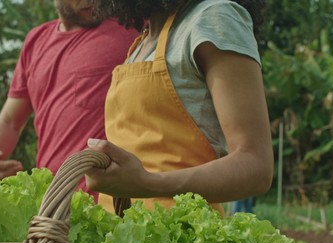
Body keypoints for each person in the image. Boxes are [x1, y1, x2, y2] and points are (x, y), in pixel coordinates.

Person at [85, 0, 274, 214]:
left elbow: (255, 165)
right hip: (120, 237)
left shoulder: (214, 17)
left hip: (181, 240)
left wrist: (148, 183)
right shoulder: (143, 42)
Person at [0, 0, 138, 202]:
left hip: (105, 205)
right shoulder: (36, 41)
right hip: (51, 204)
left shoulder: (132, 27)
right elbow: (8, 121)